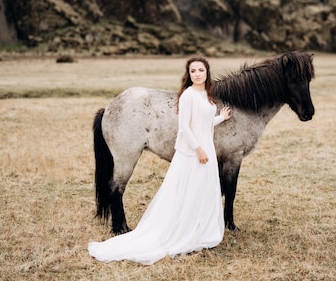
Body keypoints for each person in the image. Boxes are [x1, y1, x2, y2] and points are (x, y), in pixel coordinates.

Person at [88, 56, 232, 264]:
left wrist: (221, 118)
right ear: (188, 74)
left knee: (201, 190)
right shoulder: (188, 96)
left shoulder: (206, 96)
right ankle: (130, 224)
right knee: (187, 190)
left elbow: (204, 123)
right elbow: (184, 128)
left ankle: (199, 230)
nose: (197, 74)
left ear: (207, 72)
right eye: (193, 71)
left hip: (205, 146)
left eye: (201, 70)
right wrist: (198, 149)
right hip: (196, 151)